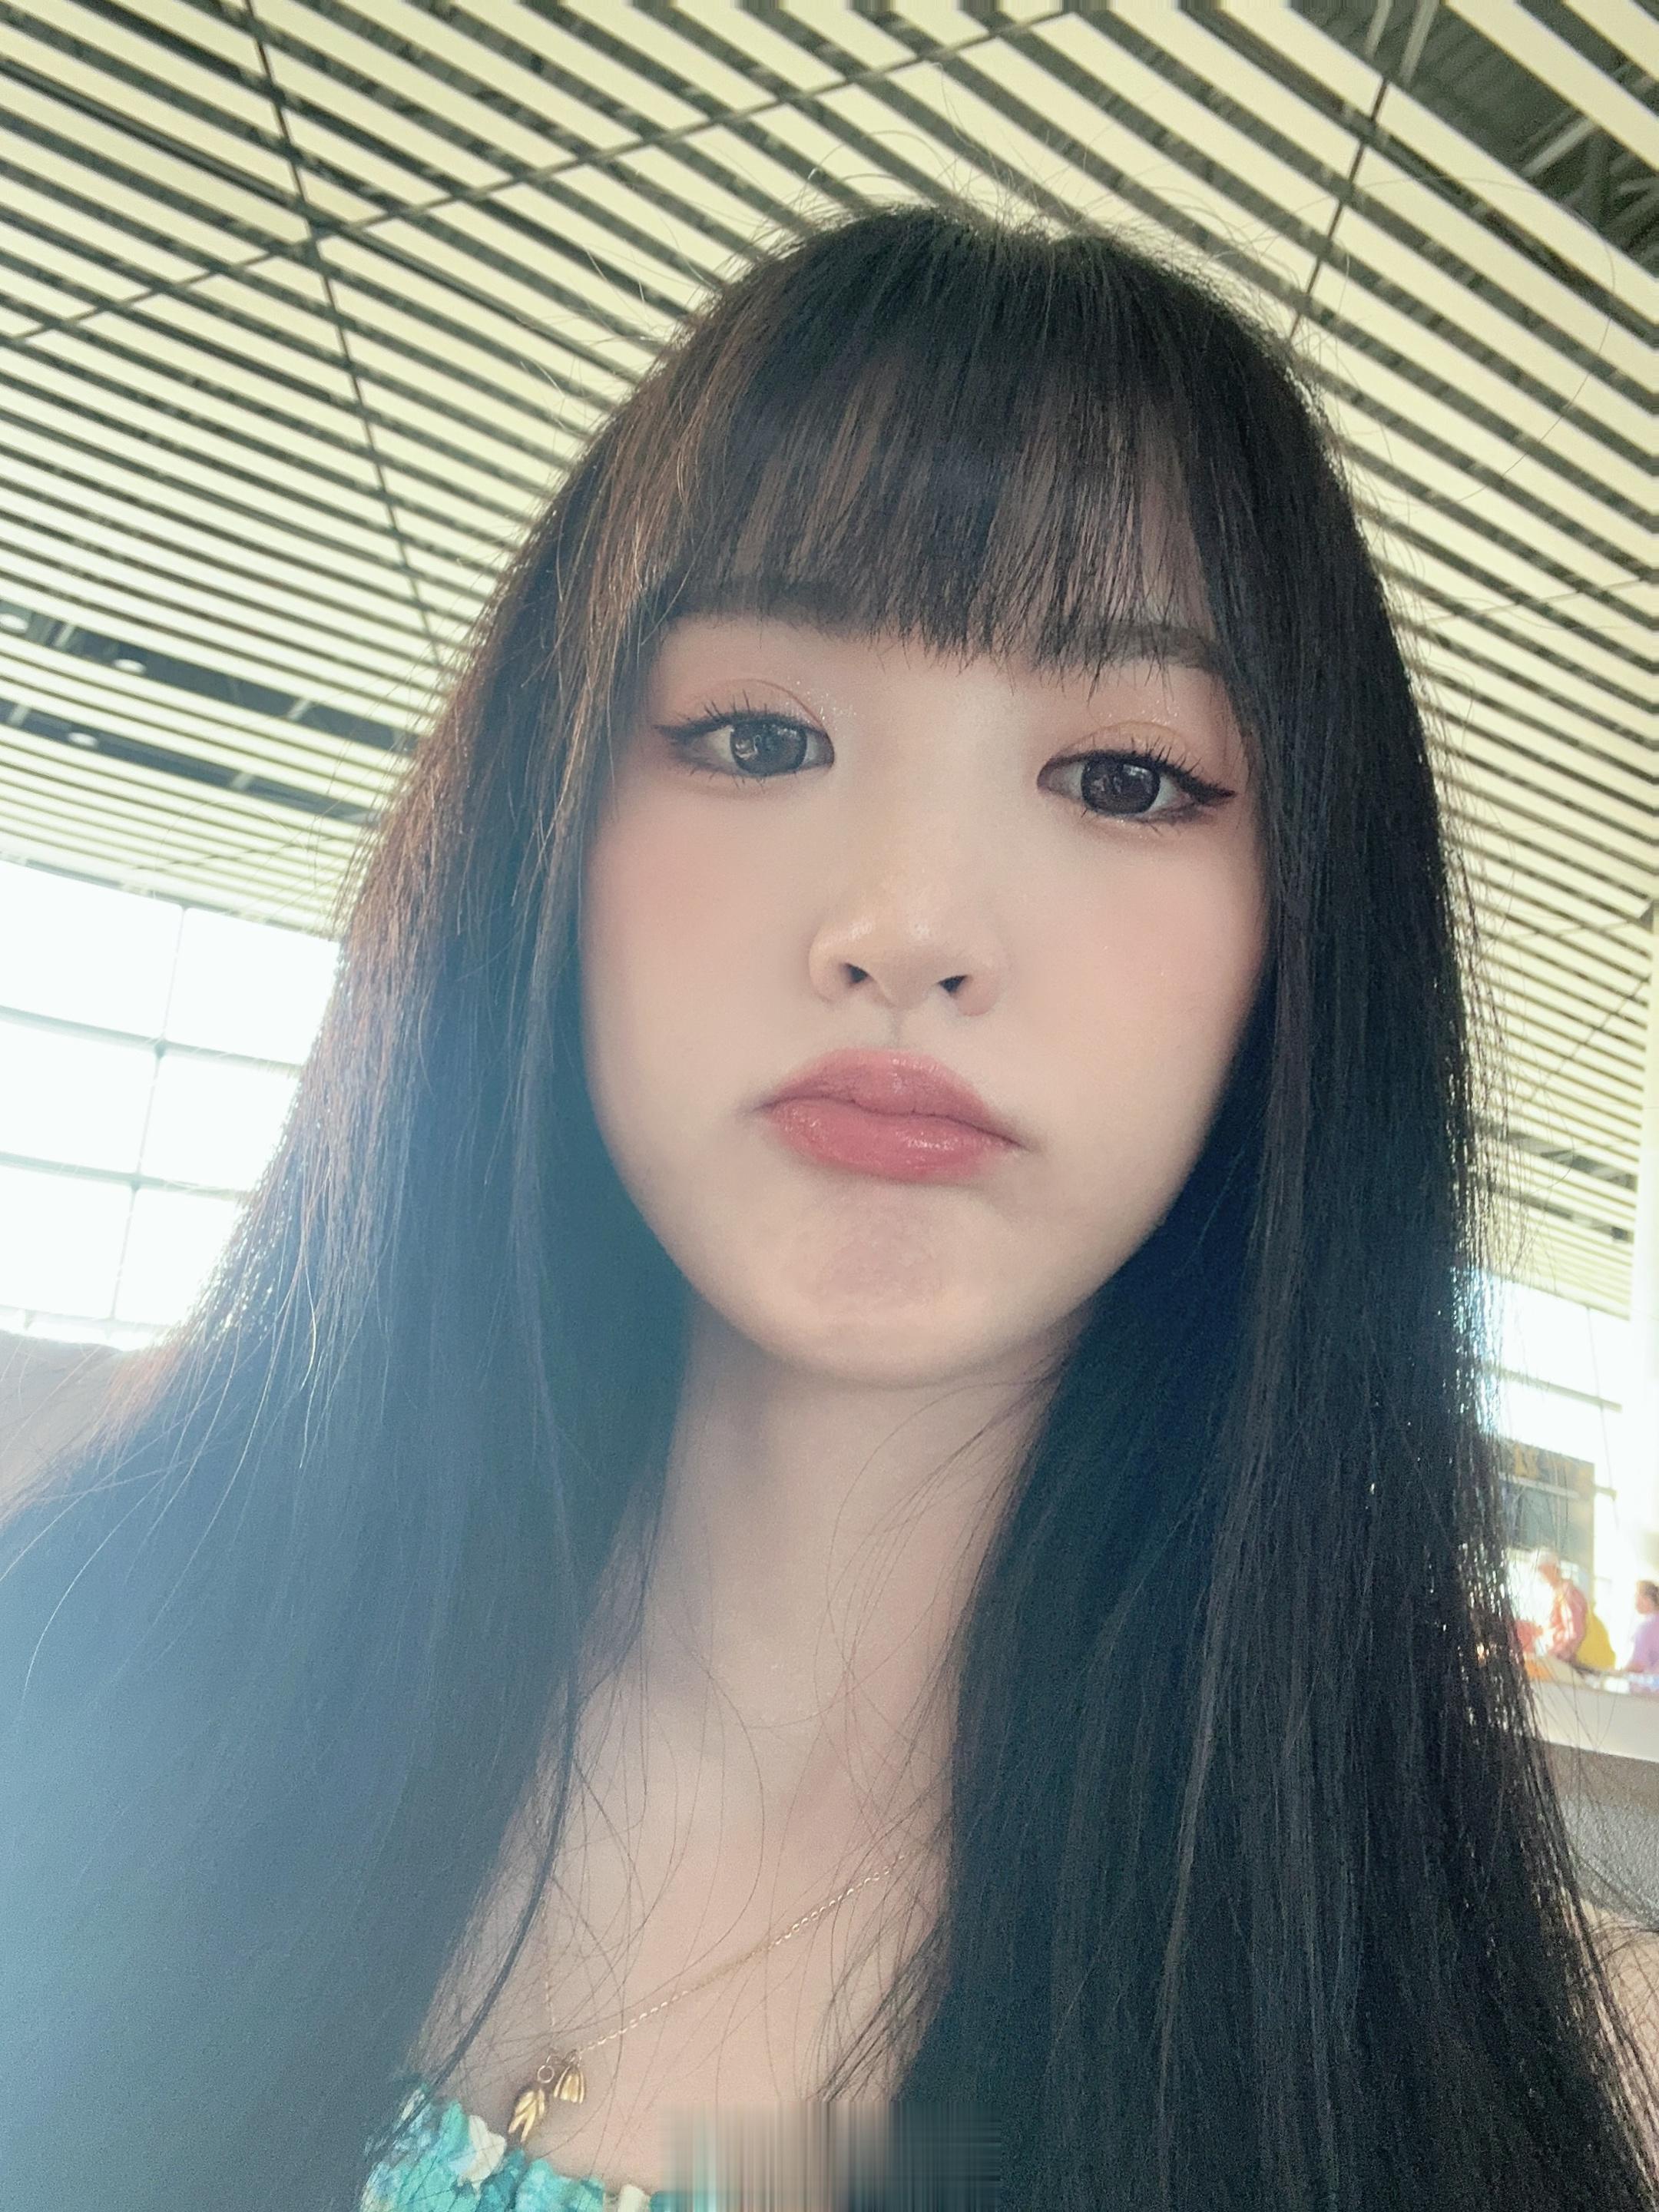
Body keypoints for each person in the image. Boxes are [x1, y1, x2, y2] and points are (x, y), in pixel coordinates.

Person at [2, 203, 1656, 2212]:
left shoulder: (1512, 2070)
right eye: (758, 738)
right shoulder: (84, 1652)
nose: (906, 925)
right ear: (549, 826)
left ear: (1306, 935)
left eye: (1125, 779)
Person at [1619, 1581, 1659, 1690]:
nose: (1634, 1601)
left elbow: (1639, 1665)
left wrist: (1618, 1673)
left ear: (1646, 1600)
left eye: (1636, 1596)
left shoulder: (1646, 1628)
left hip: (1647, 1693)